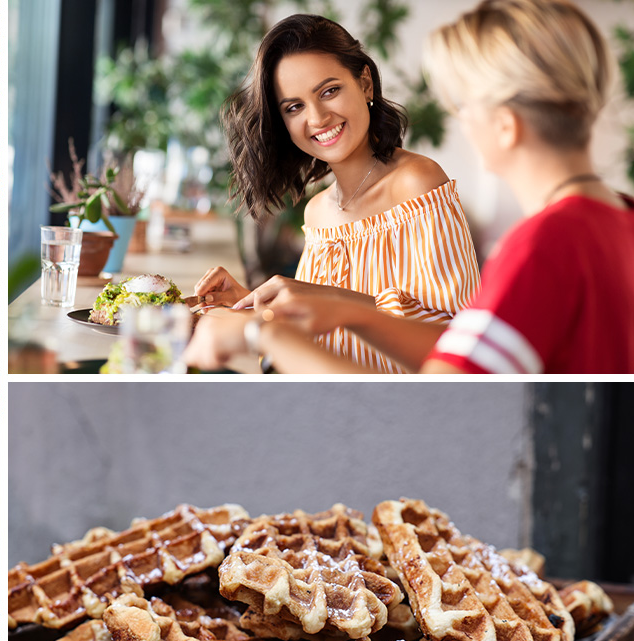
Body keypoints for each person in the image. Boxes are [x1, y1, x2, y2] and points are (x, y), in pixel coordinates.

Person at [184, 0, 634, 374]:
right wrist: (260, 312)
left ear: (504, 124)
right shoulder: (619, 219)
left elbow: (436, 397)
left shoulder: (541, 248)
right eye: (294, 106)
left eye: (461, 104)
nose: (460, 123)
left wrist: (261, 331)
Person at [194, 14, 480, 372]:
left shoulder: (417, 184)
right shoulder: (317, 212)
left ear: (364, 84)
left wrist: (331, 300)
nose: (317, 118)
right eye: (294, 107)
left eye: (329, 91)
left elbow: (460, 344)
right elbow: (321, 341)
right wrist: (252, 306)